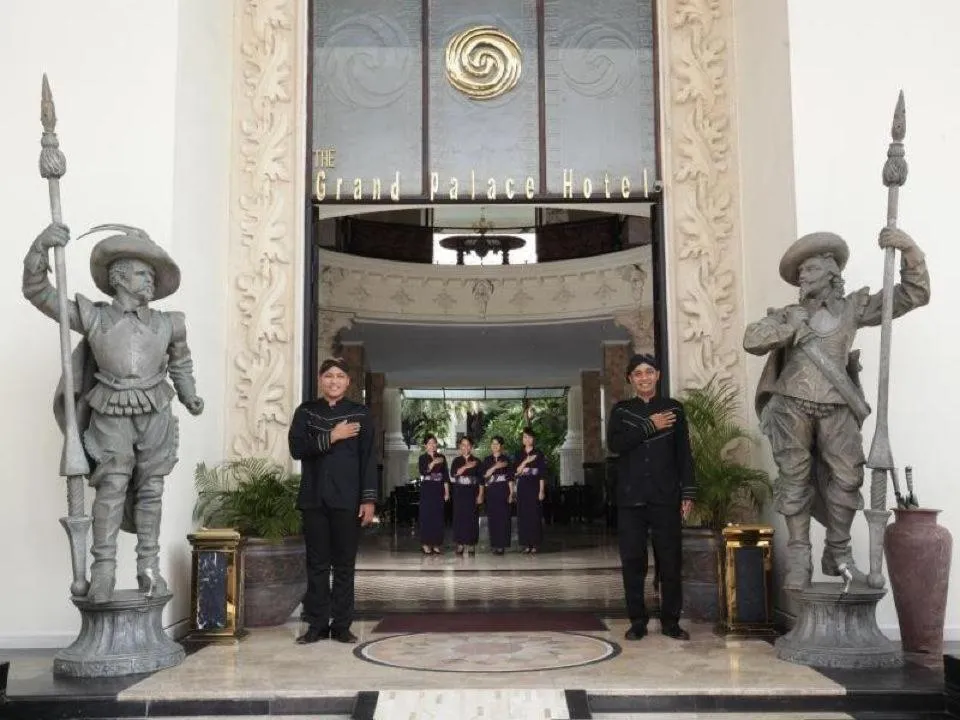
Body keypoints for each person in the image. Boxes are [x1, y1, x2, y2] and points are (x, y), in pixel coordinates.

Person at [23, 222, 204, 604]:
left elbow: (181, 364)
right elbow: (38, 293)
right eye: (142, 273)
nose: (149, 280)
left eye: (152, 274)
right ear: (119, 277)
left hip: (155, 408)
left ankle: (148, 568)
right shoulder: (94, 317)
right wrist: (41, 249)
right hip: (110, 407)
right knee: (112, 486)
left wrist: (189, 396)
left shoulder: (169, 323)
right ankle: (102, 570)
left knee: (152, 489)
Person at [743, 227, 929, 590]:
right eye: (800, 273)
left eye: (809, 270)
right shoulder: (788, 313)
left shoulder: (853, 307)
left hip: (839, 406)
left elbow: (912, 295)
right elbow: (751, 339)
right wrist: (787, 329)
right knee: (794, 479)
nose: (802, 277)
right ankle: (799, 560)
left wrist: (908, 248)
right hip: (790, 406)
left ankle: (838, 554)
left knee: (848, 478)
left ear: (831, 273)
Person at [287, 357, 377, 644]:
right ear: (320, 380)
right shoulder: (306, 412)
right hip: (314, 499)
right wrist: (333, 435)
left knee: (344, 565)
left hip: (348, 501)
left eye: (340, 376)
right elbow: (297, 448)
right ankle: (315, 625)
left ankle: (341, 625)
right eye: (329, 376)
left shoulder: (360, 414)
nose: (334, 381)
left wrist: (368, 500)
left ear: (348, 382)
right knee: (316, 564)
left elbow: (368, 460)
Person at [607, 354, 696, 641]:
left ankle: (671, 622)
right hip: (630, 499)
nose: (643, 377)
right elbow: (616, 445)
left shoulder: (674, 409)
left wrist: (688, 492)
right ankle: (638, 622)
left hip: (665, 496)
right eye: (637, 374)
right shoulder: (621, 411)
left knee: (670, 561)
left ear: (657, 375)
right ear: (630, 379)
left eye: (649, 372)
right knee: (633, 562)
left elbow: (684, 454)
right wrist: (650, 426)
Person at [514, 428, 547, 554]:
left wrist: (541, 490)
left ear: (533, 439)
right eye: (525, 437)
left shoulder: (539, 453)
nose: (527, 439)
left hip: (534, 486)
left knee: (534, 515)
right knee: (523, 515)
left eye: (529, 437)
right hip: (523, 486)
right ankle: (526, 544)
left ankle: (535, 544)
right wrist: (527, 461)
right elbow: (517, 471)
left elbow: (542, 474)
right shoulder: (518, 453)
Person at [449, 436, 483, 554]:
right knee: (459, 518)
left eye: (468, 445)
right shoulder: (456, 461)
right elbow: (454, 474)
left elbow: (481, 480)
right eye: (463, 445)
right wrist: (466, 466)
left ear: (471, 447)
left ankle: (472, 543)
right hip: (459, 493)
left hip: (472, 492)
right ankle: (460, 544)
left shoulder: (477, 461)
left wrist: (480, 495)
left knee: (472, 518)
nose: (465, 447)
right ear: (460, 447)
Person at [480, 436, 513, 554]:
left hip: (503, 490)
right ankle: (494, 544)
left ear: (501, 446)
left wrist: (511, 493)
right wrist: (495, 467)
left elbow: (510, 478)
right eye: (493, 444)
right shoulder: (487, 460)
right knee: (493, 518)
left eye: (497, 444)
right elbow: (484, 476)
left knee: (503, 519)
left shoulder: (507, 460)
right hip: (491, 491)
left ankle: (502, 545)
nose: (495, 446)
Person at [417, 434, 449, 554]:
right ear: (425, 446)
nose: (432, 445)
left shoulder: (442, 457)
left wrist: (447, 492)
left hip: (438, 489)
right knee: (426, 516)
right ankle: (425, 544)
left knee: (438, 517)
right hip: (427, 489)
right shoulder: (422, 458)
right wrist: (433, 462)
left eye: (434, 443)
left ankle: (436, 543)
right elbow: (424, 471)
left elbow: (445, 476)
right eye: (430, 443)